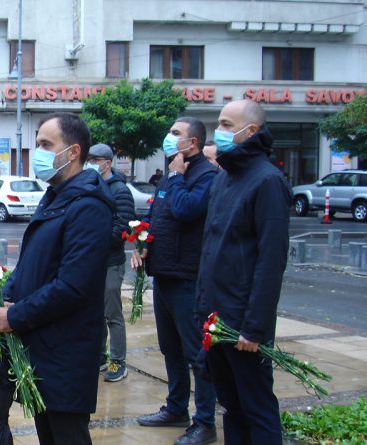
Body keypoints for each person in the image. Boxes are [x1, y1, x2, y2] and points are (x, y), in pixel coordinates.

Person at [0, 113, 115, 445]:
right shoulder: (56, 196)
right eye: (37, 144)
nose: (38, 153)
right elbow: (35, 260)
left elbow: (72, 286)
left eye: (46, 144)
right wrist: (9, 293)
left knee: (67, 435)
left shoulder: (89, 206)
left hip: (66, 351)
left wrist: (16, 315)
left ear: (73, 152)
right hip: (43, 344)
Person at [196, 100, 292, 445]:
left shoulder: (267, 181)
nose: (219, 131)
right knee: (231, 406)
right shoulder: (224, 178)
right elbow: (212, 247)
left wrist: (254, 328)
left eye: (226, 124)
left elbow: (270, 261)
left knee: (256, 407)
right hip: (216, 318)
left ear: (250, 131)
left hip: (242, 324)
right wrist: (202, 310)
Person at [132, 117, 218, 445]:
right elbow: (157, 214)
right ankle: (176, 408)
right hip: (164, 274)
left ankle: (205, 422)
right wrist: (142, 241)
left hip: (188, 278)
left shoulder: (206, 176)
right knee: (171, 349)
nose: (169, 138)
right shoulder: (171, 174)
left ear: (192, 142)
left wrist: (179, 176)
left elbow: (185, 210)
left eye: (175, 133)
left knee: (196, 353)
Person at [85, 143, 135, 382]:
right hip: (93, 262)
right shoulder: (93, 186)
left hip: (110, 261)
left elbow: (122, 228)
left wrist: (95, 245)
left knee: (112, 314)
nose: (91, 164)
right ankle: (101, 356)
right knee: (96, 313)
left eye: (95, 160)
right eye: (89, 159)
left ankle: (118, 362)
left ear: (107, 163)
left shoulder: (120, 190)